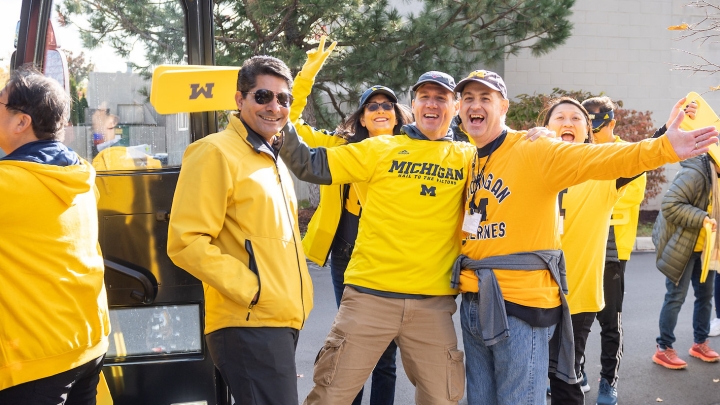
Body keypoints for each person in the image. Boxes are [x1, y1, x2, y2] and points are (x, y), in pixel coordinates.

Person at [449, 70, 716, 405]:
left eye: (486, 98)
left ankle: (607, 384)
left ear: (504, 106)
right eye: (469, 98)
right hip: (476, 301)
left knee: (547, 387)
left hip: (523, 306)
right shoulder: (471, 158)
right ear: (459, 108)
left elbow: (607, 158)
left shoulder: (538, 150)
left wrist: (663, 145)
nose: (476, 105)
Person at [167, 55, 314, 405]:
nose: (274, 106)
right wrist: (254, 289)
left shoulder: (268, 157)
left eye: (283, 99)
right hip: (250, 321)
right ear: (240, 99)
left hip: (277, 319)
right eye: (263, 96)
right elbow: (186, 242)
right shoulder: (214, 151)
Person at [289, 39, 413, 405]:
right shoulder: (340, 147)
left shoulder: (415, 151)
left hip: (391, 258)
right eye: (371, 106)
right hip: (347, 255)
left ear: (396, 114)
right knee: (350, 346)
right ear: (360, 117)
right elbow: (291, 122)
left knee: (385, 354)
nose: (379, 110)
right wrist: (308, 72)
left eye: (386, 105)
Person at [0, 68, 110, 404]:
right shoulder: (79, 175)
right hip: (87, 344)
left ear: (22, 122)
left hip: (35, 358)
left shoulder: (10, 185)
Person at [579, 96, 648, 405]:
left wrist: (590, 200)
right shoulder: (576, 153)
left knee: (609, 319)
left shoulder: (627, 156)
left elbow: (624, 200)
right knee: (573, 317)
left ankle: (608, 381)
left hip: (612, 249)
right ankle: (574, 371)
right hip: (577, 245)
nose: (593, 132)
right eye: (589, 125)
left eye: (600, 126)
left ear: (612, 124)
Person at [652, 151, 720, 369]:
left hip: (705, 247)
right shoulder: (695, 173)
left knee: (705, 296)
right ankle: (664, 348)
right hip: (681, 244)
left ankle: (699, 343)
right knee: (675, 297)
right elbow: (670, 205)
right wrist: (702, 218)